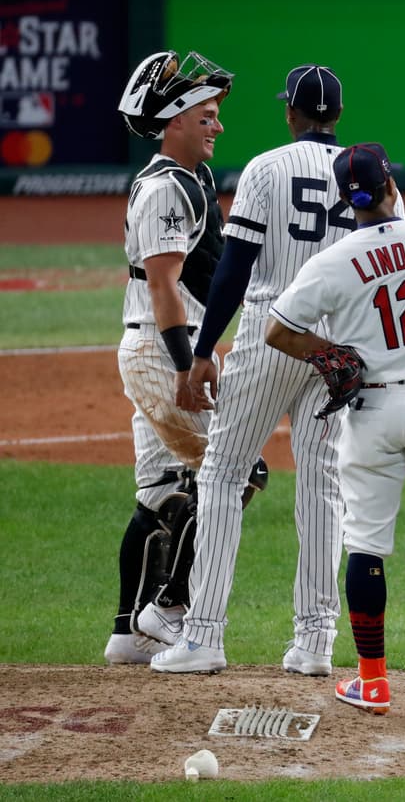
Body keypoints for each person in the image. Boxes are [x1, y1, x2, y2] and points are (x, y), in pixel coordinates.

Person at [148, 66, 403, 675]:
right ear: (337, 116)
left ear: (291, 113)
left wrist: (204, 349)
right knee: (323, 484)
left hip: (271, 333)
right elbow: (390, 266)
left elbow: (234, 267)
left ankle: (203, 635)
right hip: (340, 348)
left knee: (222, 475)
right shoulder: (371, 173)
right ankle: (315, 643)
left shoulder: (266, 167)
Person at [265, 142, 405, 717]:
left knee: (366, 543)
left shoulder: (333, 260)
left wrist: (330, 351)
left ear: (348, 203)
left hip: (370, 410)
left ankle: (372, 681)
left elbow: (278, 332)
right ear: (392, 186)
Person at [105, 50, 239, 665]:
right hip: (161, 348)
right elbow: (164, 285)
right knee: (236, 474)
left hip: (159, 345)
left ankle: (127, 634)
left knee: (161, 493)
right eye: (206, 116)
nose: (217, 126)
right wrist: (188, 363)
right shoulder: (163, 188)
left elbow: (210, 271)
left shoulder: (195, 183)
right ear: (176, 120)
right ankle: (171, 608)